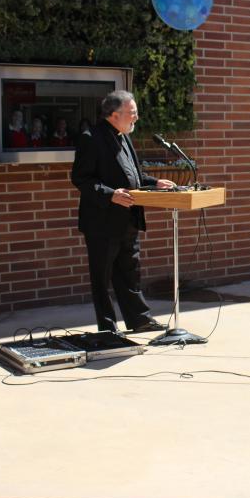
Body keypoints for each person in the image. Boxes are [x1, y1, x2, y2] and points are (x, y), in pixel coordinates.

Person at [70, 90, 175, 334]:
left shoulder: (124, 136)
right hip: (102, 222)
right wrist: (110, 194)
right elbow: (81, 179)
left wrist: (153, 182)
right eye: (132, 113)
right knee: (102, 277)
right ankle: (107, 329)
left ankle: (139, 319)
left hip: (128, 218)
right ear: (114, 114)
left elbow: (133, 175)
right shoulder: (90, 137)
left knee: (129, 272)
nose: (136, 118)